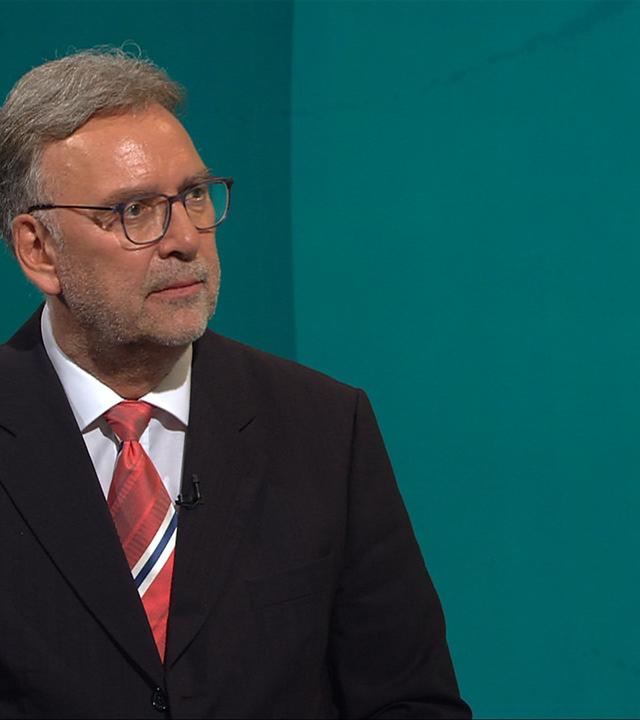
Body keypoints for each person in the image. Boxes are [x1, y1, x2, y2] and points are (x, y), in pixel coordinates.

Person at [0, 48, 470, 719]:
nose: (185, 239)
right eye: (135, 209)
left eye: (194, 195)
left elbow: (409, 702)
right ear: (38, 249)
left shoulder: (325, 426)